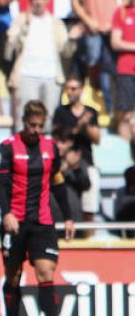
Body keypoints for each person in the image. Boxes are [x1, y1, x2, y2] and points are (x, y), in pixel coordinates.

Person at [0, 101, 75, 316]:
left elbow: (57, 182)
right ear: (24, 122)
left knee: (46, 271)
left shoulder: (51, 148)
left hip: (43, 221)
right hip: (15, 222)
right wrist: (6, 213)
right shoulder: (8, 148)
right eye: (32, 125)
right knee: (14, 276)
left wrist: (68, 215)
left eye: (40, 125)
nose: (36, 130)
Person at [70, 0, 125, 113]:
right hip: (92, 29)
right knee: (92, 60)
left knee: (110, 68)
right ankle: (89, 97)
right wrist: (88, 20)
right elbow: (75, 2)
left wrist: (115, 22)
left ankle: (110, 108)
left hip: (111, 29)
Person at [7, 0, 69, 123]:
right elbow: (12, 43)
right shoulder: (21, 19)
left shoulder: (55, 22)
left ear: (48, 0)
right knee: (25, 120)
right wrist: (26, 24)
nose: (38, 2)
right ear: (30, 0)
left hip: (51, 77)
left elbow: (64, 48)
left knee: (49, 121)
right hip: (26, 76)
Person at [53, 77, 103, 223]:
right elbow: (59, 137)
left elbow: (97, 139)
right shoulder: (61, 112)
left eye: (73, 89)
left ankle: (88, 232)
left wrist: (86, 125)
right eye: (67, 88)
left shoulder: (91, 112)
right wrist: (79, 125)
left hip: (86, 160)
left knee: (91, 191)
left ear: (81, 90)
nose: (70, 92)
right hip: (65, 160)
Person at [109, 0, 135, 136]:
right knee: (125, 114)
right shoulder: (121, 12)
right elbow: (115, 42)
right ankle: (127, 155)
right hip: (126, 69)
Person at [52, 129, 89, 226]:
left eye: (63, 142)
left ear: (70, 143)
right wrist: (58, 170)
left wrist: (75, 168)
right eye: (56, 141)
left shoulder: (78, 162)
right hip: (50, 216)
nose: (59, 145)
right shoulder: (46, 160)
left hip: (73, 217)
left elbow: (86, 185)